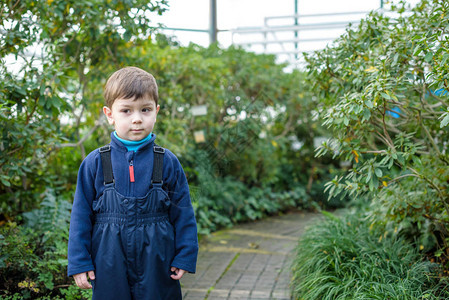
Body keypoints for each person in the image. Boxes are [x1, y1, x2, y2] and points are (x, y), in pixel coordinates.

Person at [67, 66, 198, 299]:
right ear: (109, 114)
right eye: (126, 111)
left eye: (145, 110)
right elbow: (80, 215)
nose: (137, 119)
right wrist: (79, 261)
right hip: (108, 260)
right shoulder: (94, 163)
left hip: (158, 259)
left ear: (156, 111)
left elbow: (183, 212)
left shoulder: (167, 162)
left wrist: (185, 255)